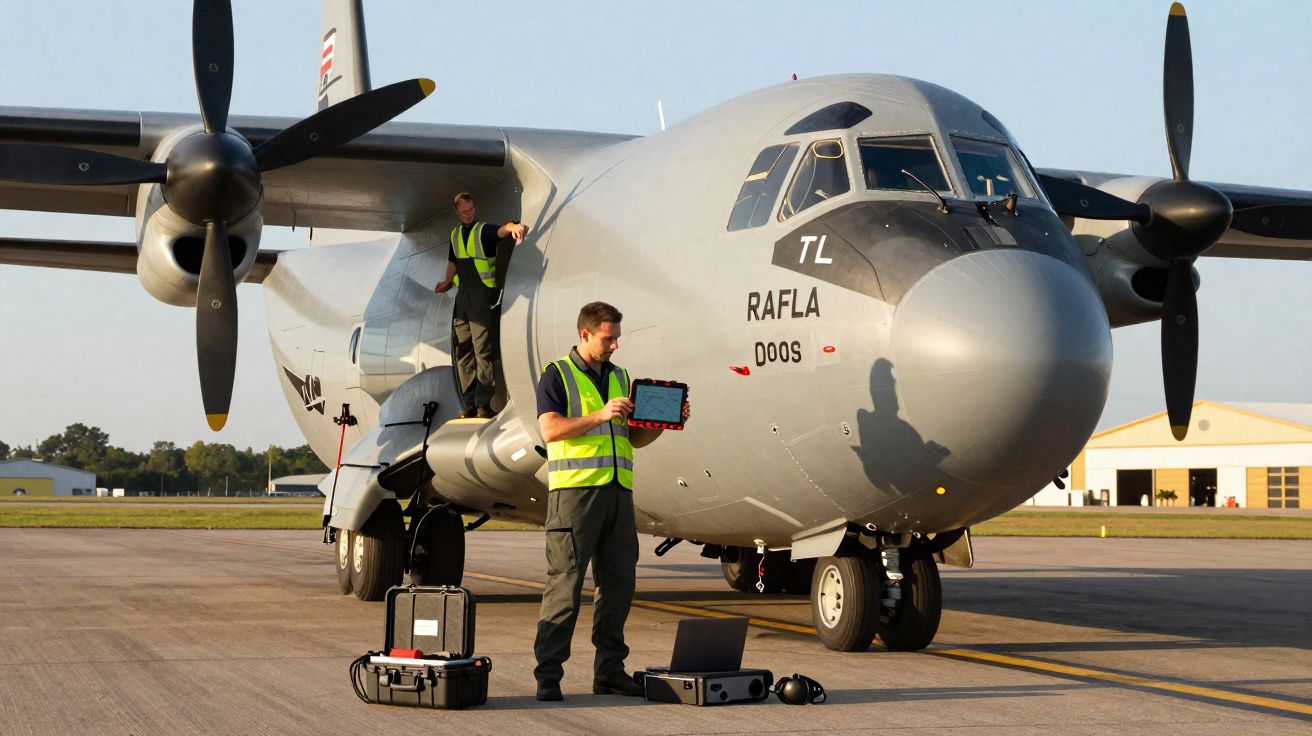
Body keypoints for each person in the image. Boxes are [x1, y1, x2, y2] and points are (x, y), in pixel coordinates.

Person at [532, 301, 689, 702]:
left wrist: (665, 422)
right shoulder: (557, 375)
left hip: (618, 495)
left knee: (618, 586)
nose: (615, 345)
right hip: (575, 496)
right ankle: (548, 675)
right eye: (609, 338)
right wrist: (601, 414)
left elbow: (633, 438)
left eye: (617, 337)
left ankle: (610, 672)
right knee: (565, 585)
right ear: (585, 334)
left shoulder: (621, 377)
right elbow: (550, 430)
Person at [434, 192, 528, 419]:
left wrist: (513, 227)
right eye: (464, 211)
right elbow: (452, 261)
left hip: (481, 296)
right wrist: (447, 282)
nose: (468, 214)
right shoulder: (455, 234)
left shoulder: (482, 230)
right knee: (463, 352)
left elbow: (500, 231)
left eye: (471, 210)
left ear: (474, 209)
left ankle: (483, 404)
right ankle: (468, 404)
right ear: (458, 213)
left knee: (481, 352)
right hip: (463, 298)